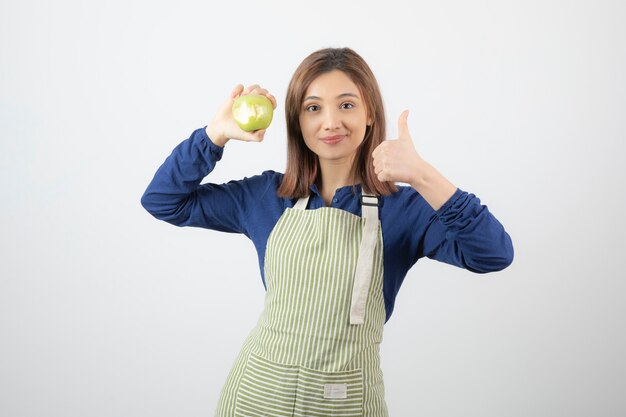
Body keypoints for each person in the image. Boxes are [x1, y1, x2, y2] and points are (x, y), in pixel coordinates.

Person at [141, 47, 513, 417]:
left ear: (370, 114)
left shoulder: (405, 209)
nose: (331, 122)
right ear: (297, 122)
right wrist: (214, 135)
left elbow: (493, 254)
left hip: (346, 402)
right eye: (313, 108)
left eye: (347, 105)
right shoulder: (267, 197)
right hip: (257, 397)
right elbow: (163, 200)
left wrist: (423, 175)